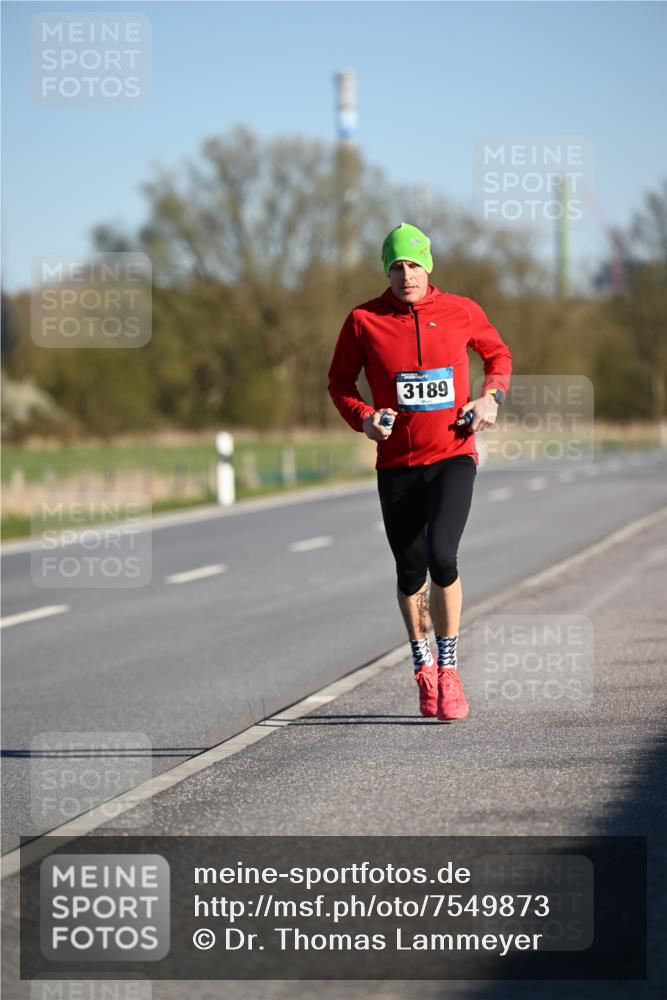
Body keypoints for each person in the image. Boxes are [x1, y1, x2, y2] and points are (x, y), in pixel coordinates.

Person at [328, 222, 512, 721]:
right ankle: (423, 666)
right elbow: (339, 382)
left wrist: (490, 398)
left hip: (453, 454)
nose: (405, 275)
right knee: (410, 569)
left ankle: (449, 671)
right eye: (395, 266)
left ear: (428, 266)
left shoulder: (460, 310)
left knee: (441, 556)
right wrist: (365, 419)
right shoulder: (364, 320)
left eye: (413, 264)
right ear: (385, 271)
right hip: (397, 465)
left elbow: (497, 354)